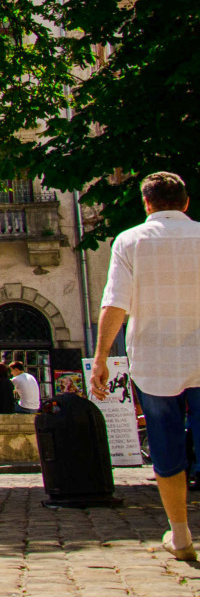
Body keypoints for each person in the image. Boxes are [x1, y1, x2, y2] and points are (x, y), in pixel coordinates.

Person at [92, 171, 200, 562]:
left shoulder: (130, 241)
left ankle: (181, 534)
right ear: (185, 203)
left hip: (155, 362)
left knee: (166, 446)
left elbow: (115, 303)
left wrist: (102, 358)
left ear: (147, 204)